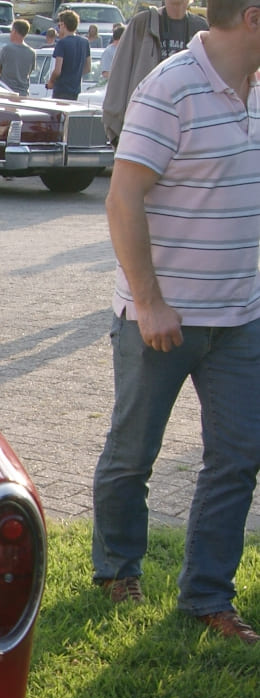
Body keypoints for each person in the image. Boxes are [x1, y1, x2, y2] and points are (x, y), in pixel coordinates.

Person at [95, 0, 260, 643]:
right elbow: (122, 197)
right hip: (162, 317)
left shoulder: (254, 89)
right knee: (134, 452)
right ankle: (115, 568)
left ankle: (207, 598)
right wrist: (151, 300)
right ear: (251, 15)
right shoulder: (170, 89)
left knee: (238, 456)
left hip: (241, 317)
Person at [102, 0, 207, 143]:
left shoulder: (201, 28)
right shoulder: (142, 23)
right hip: (146, 126)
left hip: (189, 128)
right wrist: (115, 130)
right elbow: (120, 73)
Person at [46, 9, 89, 100]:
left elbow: (57, 70)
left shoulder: (62, 43)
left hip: (61, 90)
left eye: (59, 25)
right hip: (76, 89)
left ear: (63, 25)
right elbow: (88, 68)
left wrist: (51, 82)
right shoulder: (85, 42)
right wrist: (74, 75)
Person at [0, 17, 34, 95]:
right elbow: (29, 72)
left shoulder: (6, 49)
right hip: (23, 93)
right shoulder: (31, 52)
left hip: (8, 92)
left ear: (15, 31)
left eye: (11, 31)